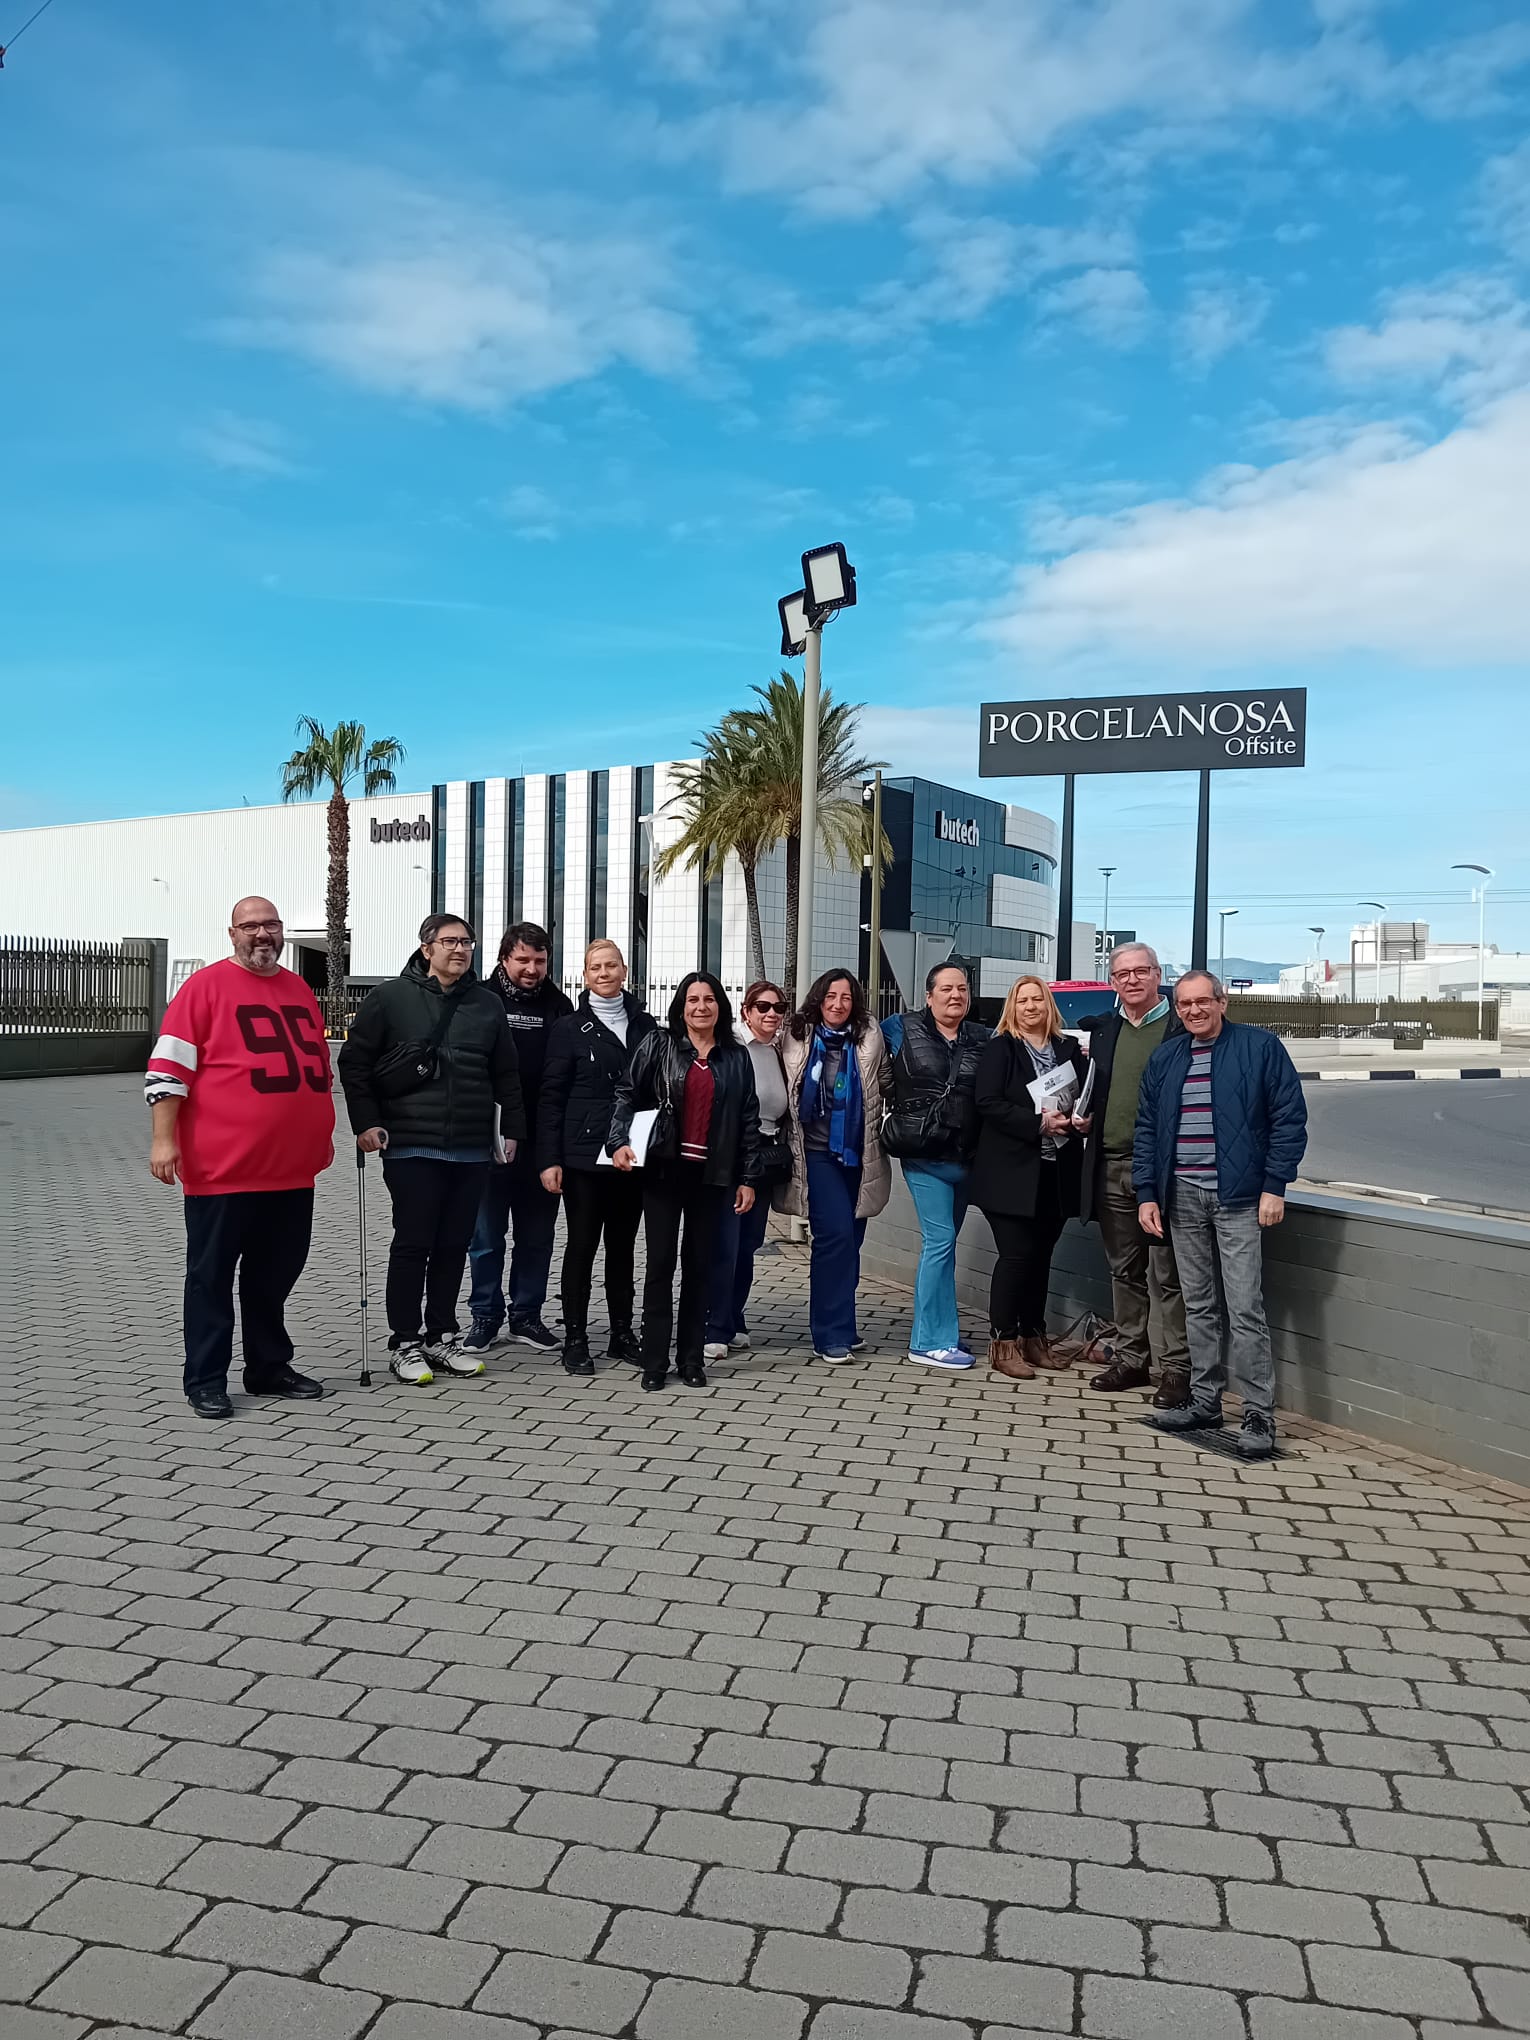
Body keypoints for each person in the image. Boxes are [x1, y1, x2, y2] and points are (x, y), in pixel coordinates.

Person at [145, 897, 335, 1419]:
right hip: (222, 1169)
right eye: (250, 926)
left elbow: (313, 1068)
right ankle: (205, 1378)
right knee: (211, 1278)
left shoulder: (298, 989)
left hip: (292, 1169)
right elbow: (167, 1072)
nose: (262, 935)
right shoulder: (203, 988)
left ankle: (268, 1366)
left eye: (271, 925)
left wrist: (321, 1130)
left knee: (274, 1276)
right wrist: (165, 1140)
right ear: (232, 933)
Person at [338, 913, 526, 1386]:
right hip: (410, 1145)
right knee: (413, 1242)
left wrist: (512, 1130)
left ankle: (441, 1335)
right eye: (449, 942)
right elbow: (355, 1063)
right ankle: (404, 1341)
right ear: (427, 948)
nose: (460, 950)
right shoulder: (389, 998)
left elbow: (506, 1072)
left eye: (467, 942)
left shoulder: (487, 1005)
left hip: (469, 1146)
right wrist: (366, 1123)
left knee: (452, 1245)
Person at [1134, 970, 1307, 1460]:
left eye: (1202, 1002)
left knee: (1245, 1306)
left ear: (1222, 1001)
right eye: (1184, 1004)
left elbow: (1289, 1119)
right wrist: (1148, 1193)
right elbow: (1146, 1130)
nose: (1193, 1011)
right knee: (1198, 1304)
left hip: (1239, 1199)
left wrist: (1275, 1185)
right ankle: (1205, 1400)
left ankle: (1258, 1412)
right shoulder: (1166, 1058)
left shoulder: (1260, 1048)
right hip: (1180, 1197)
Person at [609, 972, 761, 1391]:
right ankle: (654, 1361)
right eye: (692, 999)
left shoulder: (735, 1056)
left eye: (709, 999)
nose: (701, 1007)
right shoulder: (659, 1044)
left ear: (720, 1006)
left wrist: (748, 1178)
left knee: (700, 1268)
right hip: (663, 1169)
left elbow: (748, 1118)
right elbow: (627, 1093)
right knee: (660, 1265)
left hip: (712, 1177)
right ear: (681, 1006)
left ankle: (691, 1358)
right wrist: (619, 1140)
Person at [1079, 942, 1191, 1409]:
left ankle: (1178, 1369)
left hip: (1165, 1172)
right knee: (1124, 1270)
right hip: (1109, 1164)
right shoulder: (1105, 1031)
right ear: (1112, 981)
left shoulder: (1180, 1028)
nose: (1132, 980)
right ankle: (1130, 1359)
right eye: (1122, 973)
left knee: (1170, 1275)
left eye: (1141, 971)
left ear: (1158, 974)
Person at [538, 939, 655, 1377]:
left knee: (623, 1248)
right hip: (584, 1156)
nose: (604, 973)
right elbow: (551, 1098)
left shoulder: (646, 1026)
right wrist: (549, 1159)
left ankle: (623, 1334)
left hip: (632, 1154)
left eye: (611, 965)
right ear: (585, 976)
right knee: (583, 1246)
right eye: (595, 968)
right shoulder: (568, 1028)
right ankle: (575, 1337)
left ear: (624, 970)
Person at [970, 975, 1091, 1381]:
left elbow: (1087, 1095)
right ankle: (1003, 1343)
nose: (1031, 1006)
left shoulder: (1070, 1050)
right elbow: (987, 1102)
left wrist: (1081, 1119)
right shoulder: (1001, 1048)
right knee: (1016, 1256)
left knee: (1041, 1259)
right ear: (1012, 1007)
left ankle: (1034, 1338)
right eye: (1022, 1000)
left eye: (1038, 999)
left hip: (1055, 1172)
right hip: (1009, 1173)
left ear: (1048, 1005)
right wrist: (1037, 1123)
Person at [464, 922, 573, 1355]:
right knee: (486, 1236)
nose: (532, 969)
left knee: (537, 1235)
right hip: (489, 1137)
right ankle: (484, 1317)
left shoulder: (560, 1006)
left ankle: (526, 1316)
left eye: (540, 961)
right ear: (504, 959)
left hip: (542, 1142)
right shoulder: (479, 1000)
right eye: (523, 960)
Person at [779, 970, 893, 1364]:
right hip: (816, 1153)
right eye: (831, 996)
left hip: (858, 1154)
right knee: (835, 1238)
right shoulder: (795, 1035)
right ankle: (828, 1334)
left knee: (852, 1243)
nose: (838, 1004)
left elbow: (888, 1081)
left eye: (846, 997)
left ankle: (843, 1324)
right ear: (819, 998)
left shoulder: (870, 1037)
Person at [880, 963, 990, 1370]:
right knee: (940, 1242)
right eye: (945, 988)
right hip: (923, 1153)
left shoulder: (983, 1037)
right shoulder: (900, 1027)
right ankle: (930, 1341)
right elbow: (863, 1049)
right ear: (928, 995)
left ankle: (942, 1327)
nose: (955, 995)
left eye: (962, 988)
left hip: (966, 1156)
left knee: (945, 1246)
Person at [704, 979, 792, 1363]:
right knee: (724, 1243)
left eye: (778, 1008)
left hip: (767, 1156)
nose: (771, 1014)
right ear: (745, 1010)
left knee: (748, 1245)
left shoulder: (776, 1051)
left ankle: (734, 1317)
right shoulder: (734, 1049)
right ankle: (713, 1326)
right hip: (736, 1155)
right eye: (763, 1007)